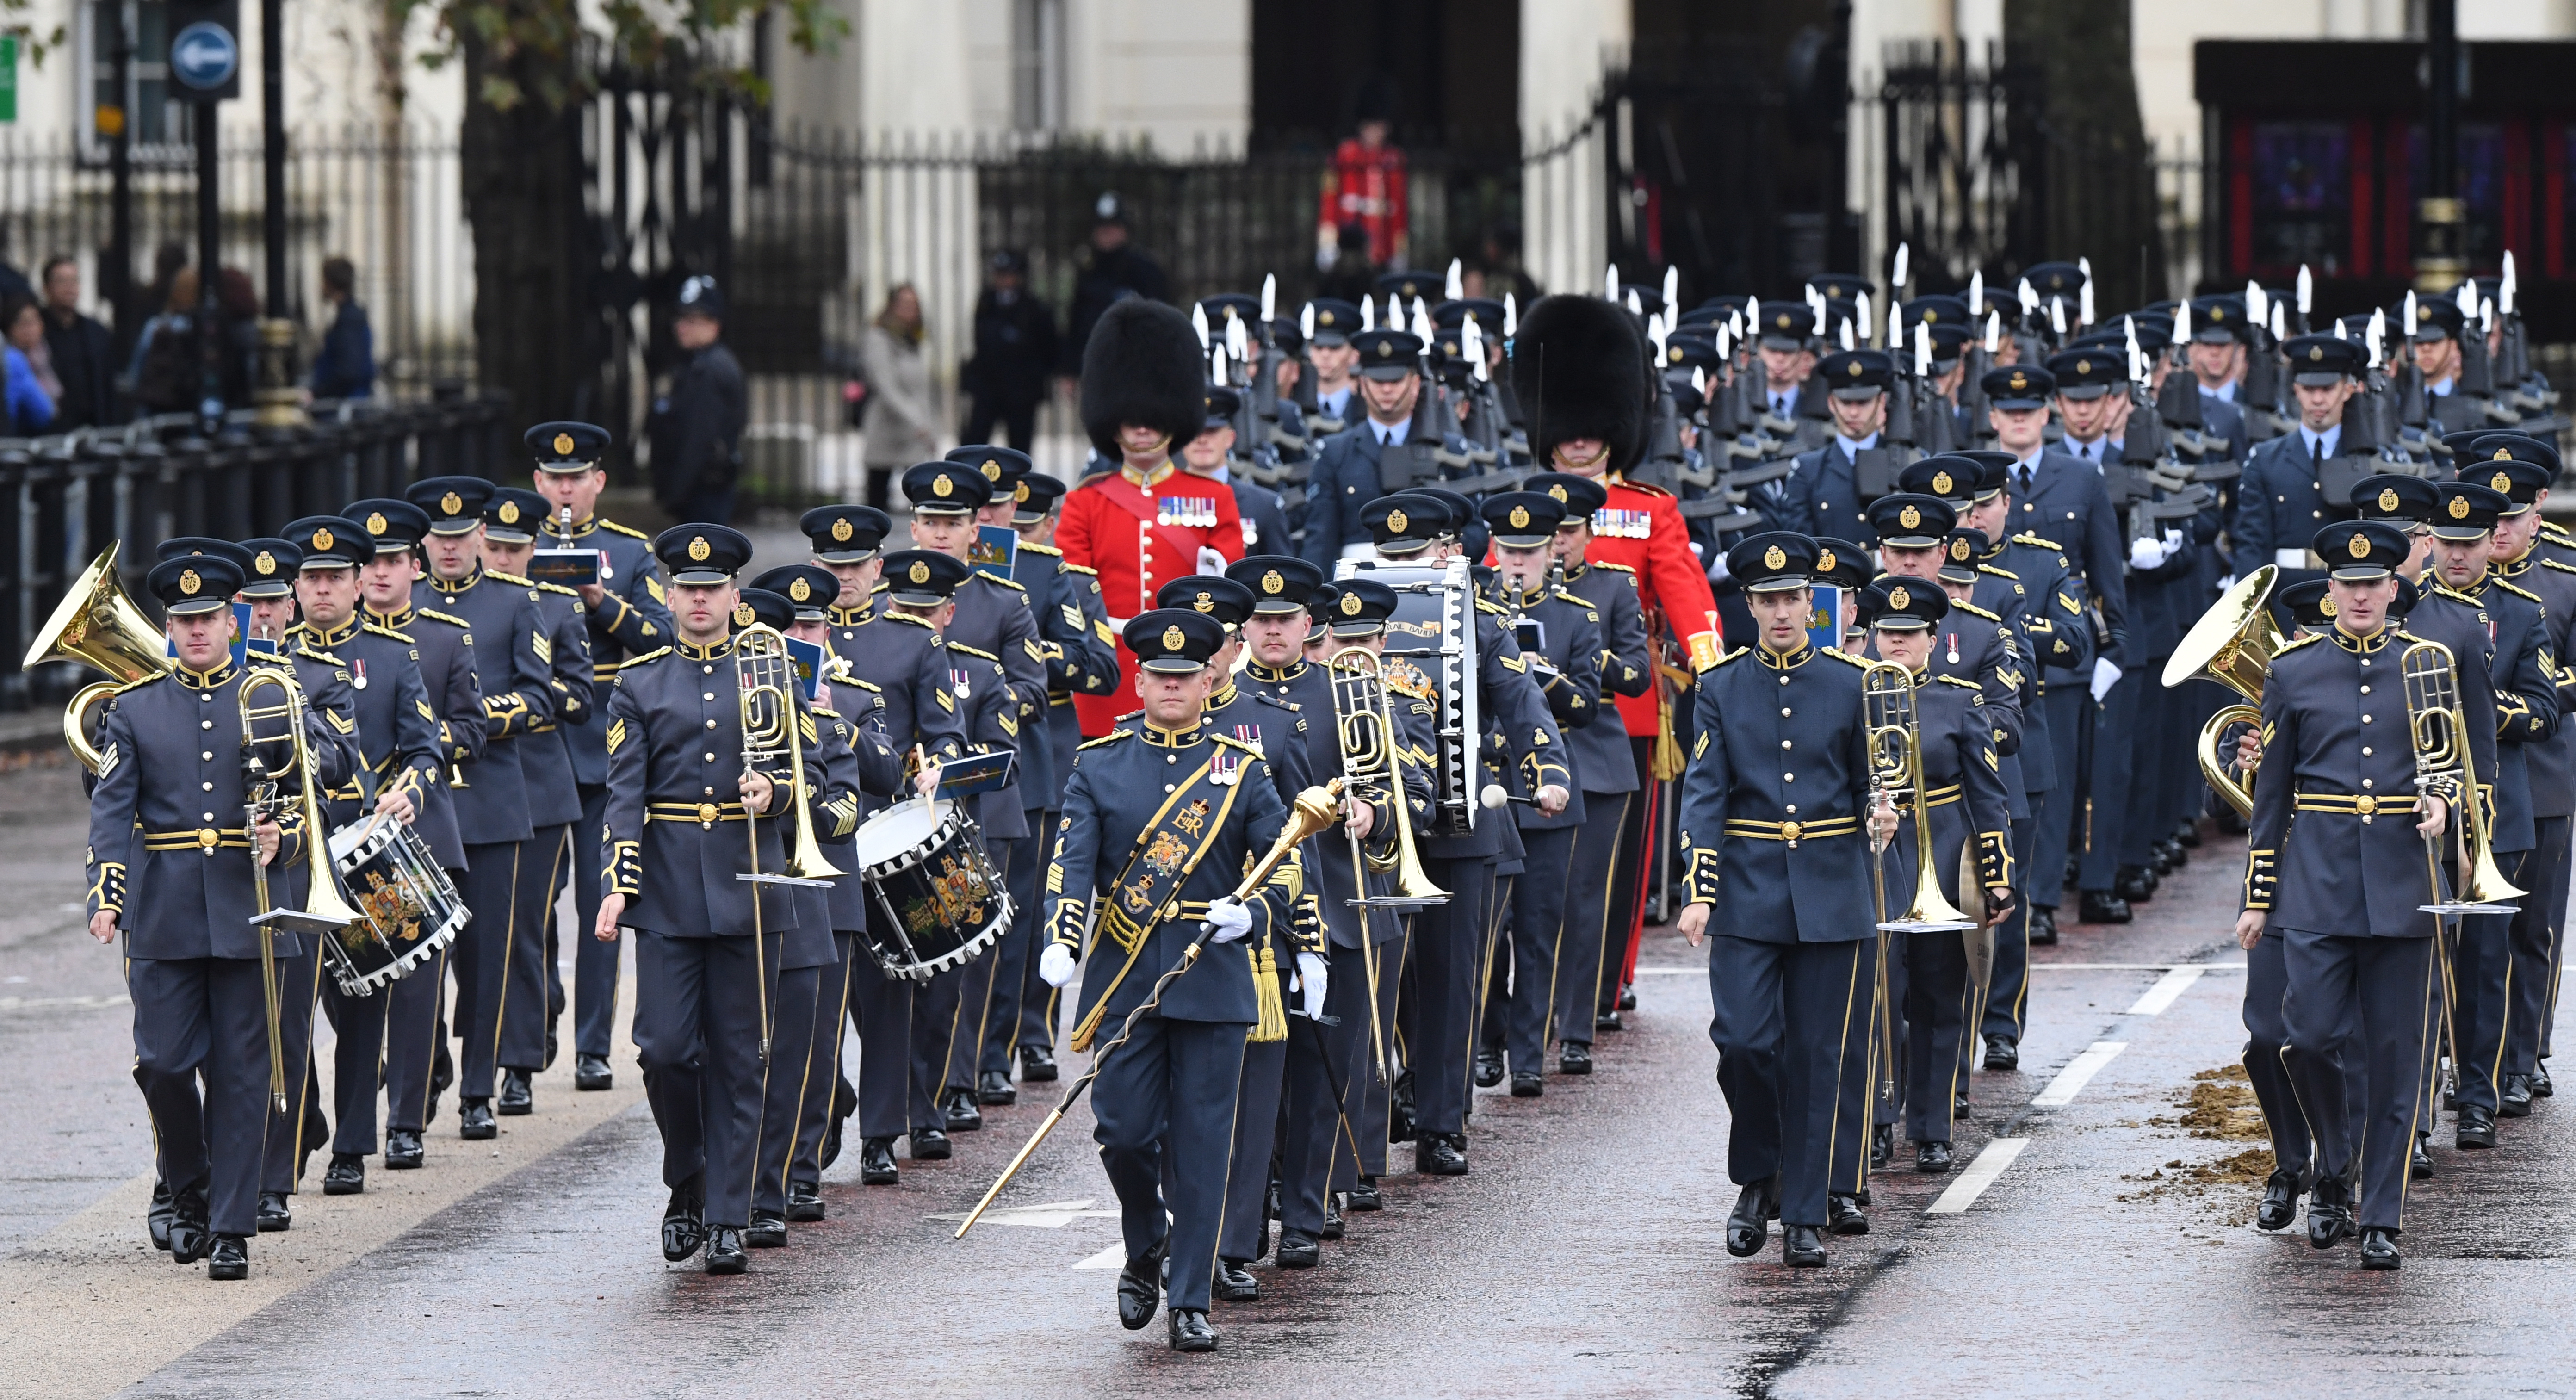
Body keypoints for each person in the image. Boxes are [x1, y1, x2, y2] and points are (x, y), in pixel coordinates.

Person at [1034, 608, 1312, 1351]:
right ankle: (1144, 1236)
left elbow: (1287, 859)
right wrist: (1063, 940)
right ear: (1140, 678)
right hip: (1126, 975)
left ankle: (1190, 1297)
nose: (1172, 686)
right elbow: (1070, 867)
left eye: (1185, 676)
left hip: (1215, 973)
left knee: (1202, 1140)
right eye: (1159, 675)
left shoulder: (1241, 768)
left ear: (1207, 678)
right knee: (1123, 1133)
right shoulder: (1100, 762)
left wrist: (1252, 912)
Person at [2236, 519, 2465, 1270]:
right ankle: (2331, 1162)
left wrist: (2443, 808)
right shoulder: (2293, 670)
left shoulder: (2427, 662)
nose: (2360, 596)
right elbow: (2270, 797)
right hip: (2315, 882)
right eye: (2347, 585)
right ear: (2329, 590)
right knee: (2304, 1035)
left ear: (2392, 589)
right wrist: (2256, 894)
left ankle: (2380, 1217)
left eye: (2373, 585)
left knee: (2398, 1058)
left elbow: (2450, 767)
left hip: (2403, 880)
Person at [87, 551, 310, 1281]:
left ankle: (230, 1228)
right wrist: (107, 892)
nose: (196, 631)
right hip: (168, 911)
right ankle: (190, 1185)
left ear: (230, 620)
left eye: (208, 619)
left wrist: (286, 841)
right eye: (183, 621)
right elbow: (112, 808)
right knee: (162, 1064)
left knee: (243, 1074)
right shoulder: (137, 706)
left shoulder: (270, 694)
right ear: (169, 626)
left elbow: (305, 800)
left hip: (248, 905)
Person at [1679, 531, 1894, 1266]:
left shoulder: (1851, 680)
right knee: (1742, 1042)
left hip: (1834, 887)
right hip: (1745, 886)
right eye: (1766, 600)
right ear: (1749, 604)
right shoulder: (1720, 686)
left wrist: (1883, 817)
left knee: (1815, 1055)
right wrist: (1699, 888)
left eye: (1791, 599)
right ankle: (1757, 1175)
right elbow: (1704, 792)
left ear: (1813, 603)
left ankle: (1801, 1213)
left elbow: (1874, 781)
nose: (1779, 612)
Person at [1510, 292, 1722, 1026]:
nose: (1578, 442)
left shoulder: (1649, 507)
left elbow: (1685, 591)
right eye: (1566, 428)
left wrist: (1709, 659)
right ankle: (1540, 994)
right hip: (1533, 710)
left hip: (1623, 708)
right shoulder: (1524, 508)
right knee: (1540, 874)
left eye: (1593, 428)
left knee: (1618, 868)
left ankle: (1609, 978)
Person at [278, 514, 444, 1200]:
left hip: (368, 846)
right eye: (311, 579)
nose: (323, 589)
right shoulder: (274, 659)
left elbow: (426, 750)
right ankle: (305, 1120)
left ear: (354, 585)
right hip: (293, 849)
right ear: (295, 587)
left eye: (335, 578)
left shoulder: (395, 653)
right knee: (292, 1002)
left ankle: (352, 1143)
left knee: (365, 1003)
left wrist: (408, 793)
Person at [802, 504, 968, 1177]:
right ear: (817, 567)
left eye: (855, 567)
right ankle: (828, 1100)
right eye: (832, 567)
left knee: (892, 989)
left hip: (889, 830)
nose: (844, 578)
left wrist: (939, 764)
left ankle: (881, 1130)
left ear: (879, 568)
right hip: (814, 826)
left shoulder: (913, 640)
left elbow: (946, 730)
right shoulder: (789, 637)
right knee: (816, 992)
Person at [523, 421, 675, 1091]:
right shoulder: (515, 546)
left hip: (606, 745)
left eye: (576, 477)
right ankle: (535, 1021)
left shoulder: (628, 551)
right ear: (537, 483)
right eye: (553, 478)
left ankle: (591, 1044)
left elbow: (659, 636)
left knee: (599, 904)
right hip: (537, 744)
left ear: (598, 482)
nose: (564, 488)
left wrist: (598, 600)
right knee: (531, 906)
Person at [403, 476, 558, 1135]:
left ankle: (478, 1085)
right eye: (437, 538)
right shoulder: (398, 602)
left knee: (488, 951)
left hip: (490, 794)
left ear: (479, 537)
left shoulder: (516, 601)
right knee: (414, 948)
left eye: (461, 536)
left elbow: (541, 697)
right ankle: (429, 1054)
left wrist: (465, 723)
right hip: (418, 805)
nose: (449, 548)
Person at [1854, 578, 2012, 1173]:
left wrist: (1997, 875)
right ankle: (1874, 1117)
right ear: (1873, 637)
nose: (1897, 645)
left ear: (1931, 638)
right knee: (1876, 997)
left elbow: (1987, 794)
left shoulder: (1961, 700)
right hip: (1874, 853)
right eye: (1888, 635)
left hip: (1944, 853)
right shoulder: (1855, 692)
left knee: (1941, 996)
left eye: (1909, 635)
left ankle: (1933, 1124)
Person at [345, 498, 483, 1168]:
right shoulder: (307, 653)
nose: (379, 573)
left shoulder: (436, 638)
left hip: (411, 832)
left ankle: (404, 1119)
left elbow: (465, 732)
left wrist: (409, 780)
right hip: (334, 840)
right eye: (367, 562)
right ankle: (353, 1105)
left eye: (393, 560)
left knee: (417, 984)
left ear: (414, 565)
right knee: (343, 989)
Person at [1058, 297, 1248, 736]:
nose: (1142, 427)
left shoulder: (1214, 498)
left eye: (1154, 415)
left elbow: (1226, 588)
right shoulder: (1086, 502)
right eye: (1129, 417)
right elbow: (1074, 596)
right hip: (1110, 670)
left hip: (1187, 670)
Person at [1474, 492, 1604, 1096]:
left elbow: (1586, 702)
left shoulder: (1576, 615)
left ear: (1552, 551)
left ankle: (1529, 1053)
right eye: (1510, 551)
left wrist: (1536, 674)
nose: (1518, 563)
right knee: (1487, 930)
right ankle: (1487, 1040)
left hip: (1546, 787)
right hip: (1492, 782)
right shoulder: (1475, 614)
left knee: (1538, 928)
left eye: (1530, 551)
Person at [1524, 471, 1653, 1071]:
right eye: (1549, 533)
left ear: (1587, 531)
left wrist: (1580, 655)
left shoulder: (1613, 587)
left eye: (1569, 530)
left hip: (1593, 750)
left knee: (1583, 896)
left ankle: (1576, 1023)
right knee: (1526, 899)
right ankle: (1524, 1024)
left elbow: (1637, 675)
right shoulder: (1510, 590)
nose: (1559, 543)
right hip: (1526, 751)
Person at [478, 487, 599, 1076]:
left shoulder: (554, 603)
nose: (502, 558)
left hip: (540, 784)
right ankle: (513, 1019)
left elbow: (580, 698)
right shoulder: (454, 607)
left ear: (534, 548)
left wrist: (533, 686)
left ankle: (519, 1061)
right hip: (475, 783)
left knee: (527, 919)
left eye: (514, 548)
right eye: (494, 546)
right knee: (477, 932)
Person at [648, 275, 747, 524]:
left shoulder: (710, 371)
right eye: (681, 319)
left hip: (703, 493)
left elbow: (698, 438)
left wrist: (676, 493)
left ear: (714, 325)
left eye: (692, 321)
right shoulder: (694, 365)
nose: (682, 328)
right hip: (698, 492)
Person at [1064, 192, 1171, 372]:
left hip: (1135, 366)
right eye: (1102, 228)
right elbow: (1077, 325)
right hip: (1095, 366)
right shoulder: (1088, 273)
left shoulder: (1146, 272)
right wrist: (1070, 368)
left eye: (1113, 228)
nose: (1107, 235)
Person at [962, 250, 1057, 450]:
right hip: (989, 386)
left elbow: (1047, 347)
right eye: (999, 274)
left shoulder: (1034, 307)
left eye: (1008, 275)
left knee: (1019, 446)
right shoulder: (986, 302)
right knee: (975, 441)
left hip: (1021, 389)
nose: (1003, 280)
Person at [858, 283, 940, 510]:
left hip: (913, 433)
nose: (909, 310)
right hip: (887, 427)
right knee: (878, 494)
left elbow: (921, 388)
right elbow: (886, 385)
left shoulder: (913, 340)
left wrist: (929, 424)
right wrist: (917, 420)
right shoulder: (879, 338)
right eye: (903, 304)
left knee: (923, 497)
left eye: (913, 305)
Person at [39, 258, 117, 429]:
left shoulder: (96, 332)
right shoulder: (36, 332)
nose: (70, 287)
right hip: (52, 431)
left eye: (74, 280)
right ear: (46, 288)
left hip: (93, 427)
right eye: (62, 281)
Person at [309, 256, 375, 401]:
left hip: (345, 407)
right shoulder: (349, 316)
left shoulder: (349, 319)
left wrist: (315, 394)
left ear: (331, 283)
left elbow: (349, 372)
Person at [4, 293, 58, 434]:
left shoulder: (48, 355)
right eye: (24, 324)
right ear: (10, 328)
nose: (31, 330)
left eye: (35, 322)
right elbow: (44, 412)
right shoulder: (13, 361)